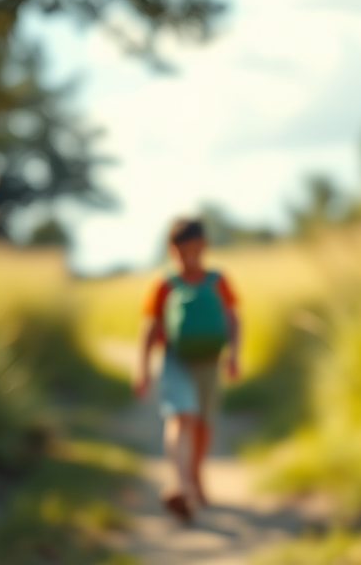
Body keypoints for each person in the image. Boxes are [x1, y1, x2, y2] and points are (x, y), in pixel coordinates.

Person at [133, 218, 239, 524]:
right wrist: (142, 368)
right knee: (181, 417)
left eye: (193, 250)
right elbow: (150, 327)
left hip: (209, 362)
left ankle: (194, 476)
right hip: (175, 359)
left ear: (204, 247)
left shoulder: (218, 281)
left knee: (203, 426)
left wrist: (233, 354)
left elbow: (232, 318)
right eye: (181, 252)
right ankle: (180, 485)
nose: (188, 258)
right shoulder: (164, 283)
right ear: (172, 250)